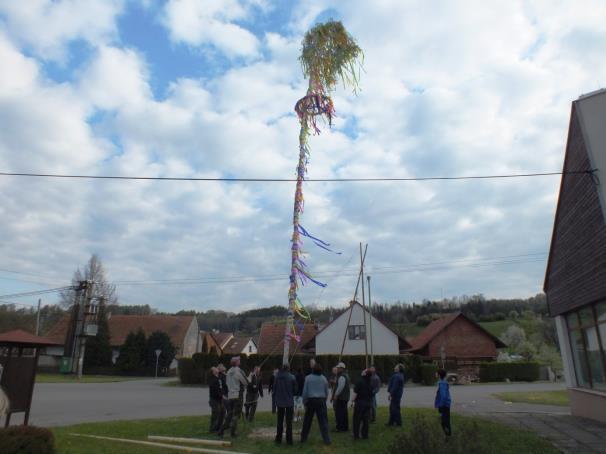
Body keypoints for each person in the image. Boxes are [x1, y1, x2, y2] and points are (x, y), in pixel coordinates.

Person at [301, 362, 331, 445]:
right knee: (323, 421)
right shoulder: (324, 378)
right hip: (321, 400)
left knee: (307, 421)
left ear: (313, 370)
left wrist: (304, 402)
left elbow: (305, 392)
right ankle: (327, 439)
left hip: (311, 401)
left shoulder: (308, 378)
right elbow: (326, 392)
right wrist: (324, 400)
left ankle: (303, 438)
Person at [218, 357, 248, 438]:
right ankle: (233, 432)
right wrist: (250, 377)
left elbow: (227, 383)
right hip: (238, 395)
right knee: (236, 415)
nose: (240, 361)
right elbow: (245, 382)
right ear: (237, 362)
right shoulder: (239, 371)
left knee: (229, 414)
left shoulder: (228, 371)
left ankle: (221, 430)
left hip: (230, 395)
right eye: (239, 360)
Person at [274, 364, 296, 445]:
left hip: (280, 402)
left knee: (279, 421)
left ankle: (278, 439)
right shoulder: (292, 377)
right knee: (289, 422)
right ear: (289, 369)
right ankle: (289, 440)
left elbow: (274, 389)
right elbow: (295, 390)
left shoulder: (277, 377)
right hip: (289, 402)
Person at [352, 369, 373, 440]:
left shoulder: (359, 381)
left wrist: (352, 401)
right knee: (365, 420)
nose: (362, 371)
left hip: (359, 403)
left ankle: (356, 435)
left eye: (364, 371)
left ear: (364, 374)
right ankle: (365, 435)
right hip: (368, 403)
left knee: (356, 420)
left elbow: (355, 393)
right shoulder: (370, 382)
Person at [331, 362, 350, 432]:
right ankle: (344, 427)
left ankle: (340, 427)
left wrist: (336, 395)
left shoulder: (342, 376)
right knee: (344, 413)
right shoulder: (345, 375)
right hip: (345, 397)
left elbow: (340, 387)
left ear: (342, 368)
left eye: (338, 368)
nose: (337, 369)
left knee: (340, 413)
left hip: (341, 398)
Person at [434, 369, 452, 437]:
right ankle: (447, 435)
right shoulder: (442, 382)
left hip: (444, 405)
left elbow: (443, 396)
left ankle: (448, 436)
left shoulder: (442, 383)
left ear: (439, 375)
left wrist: (440, 406)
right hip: (444, 404)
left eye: (436, 373)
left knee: (445, 422)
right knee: (444, 421)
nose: (435, 374)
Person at [208, 367, 225, 433]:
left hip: (220, 399)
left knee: (222, 412)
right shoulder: (212, 379)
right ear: (213, 372)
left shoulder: (219, 377)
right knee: (215, 414)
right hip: (214, 400)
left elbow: (221, 387)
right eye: (214, 368)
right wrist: (221, 395)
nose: (216, 368)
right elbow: (215, 390)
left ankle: (218, 427)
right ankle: (212, 429)